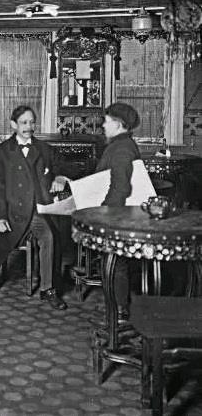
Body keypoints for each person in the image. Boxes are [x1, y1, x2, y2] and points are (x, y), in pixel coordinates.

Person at [0, 105, 68, 309]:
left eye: (32, 122)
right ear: (13, 125)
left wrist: (60, 176)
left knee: (50, 237)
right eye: (24, 122)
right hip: (8, 211)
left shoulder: (44, 149)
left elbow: (63, 164)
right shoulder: (1, 152)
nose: (29, 127)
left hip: (36, 211)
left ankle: (48, 289)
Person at [96, 102, 141, 320]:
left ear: (118, 124)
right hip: (120, 212)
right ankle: (115, 307)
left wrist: (104, 212)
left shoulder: (121, 148)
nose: (103, 126)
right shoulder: (121, 144)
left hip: (117, 215)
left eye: (106, 121)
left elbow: (121, 187)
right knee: (115, 261)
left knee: (115, 262)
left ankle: (119, 311)